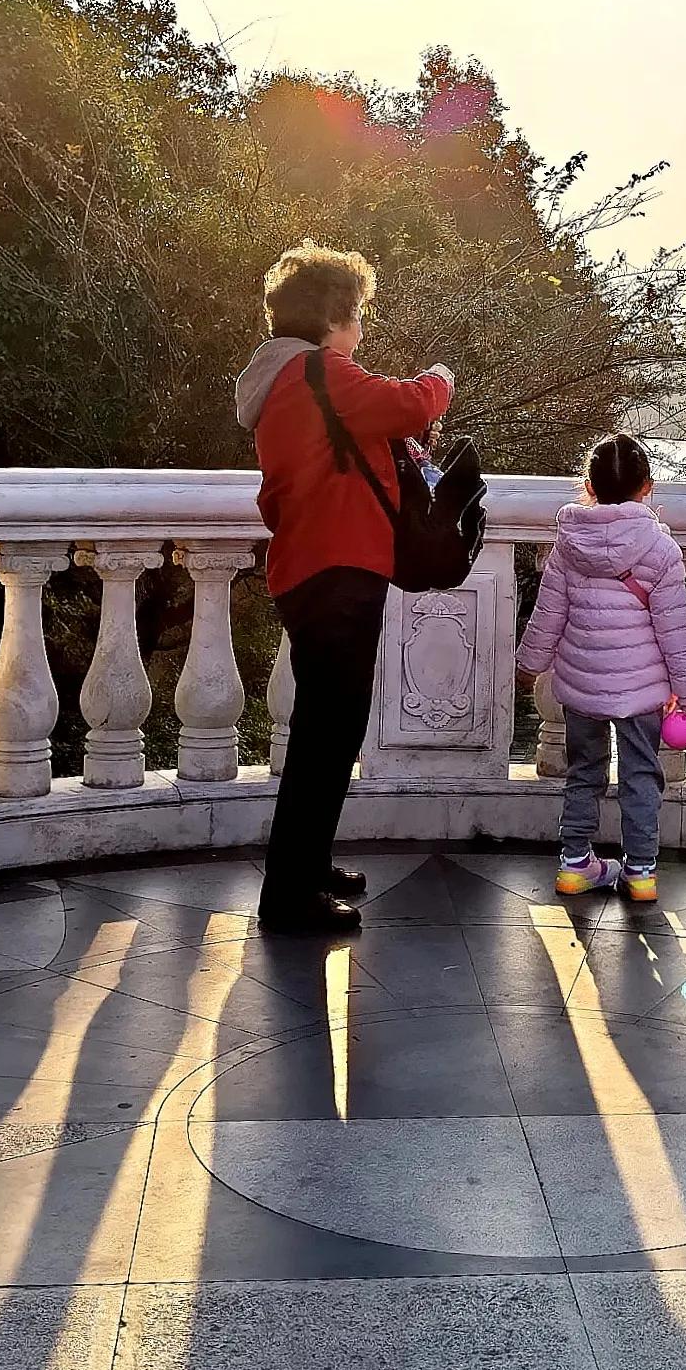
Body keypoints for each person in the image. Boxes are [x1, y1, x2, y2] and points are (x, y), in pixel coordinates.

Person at [235, 244, 453, 934]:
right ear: (332, 317)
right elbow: (411, 403)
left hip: (311, 569)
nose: (360, 331)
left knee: (322, 733)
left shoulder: (279, 379)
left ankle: (306, 864)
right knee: (327, 739)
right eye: (357, 317)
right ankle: (290, 897)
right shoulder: (316, 372)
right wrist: (441, 378)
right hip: (337, 575)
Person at [512, 432, 686, 903]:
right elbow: (676, 629)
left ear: (590, 486)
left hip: (581, 685)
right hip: (641, 691)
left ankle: (575, 865)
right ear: (648, 487)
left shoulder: (567, 545)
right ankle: (639, 872)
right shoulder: (660, 550)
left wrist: (529, 664)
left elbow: (548, 615)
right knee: (641, 776)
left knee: (584, 772)